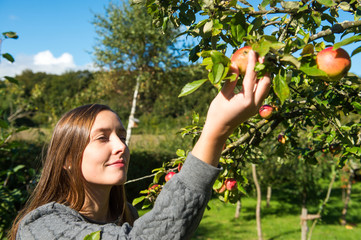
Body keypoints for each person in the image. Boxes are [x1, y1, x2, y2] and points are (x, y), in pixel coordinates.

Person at [9, 50, 271, 240]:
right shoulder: (41, 228)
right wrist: (216, 131)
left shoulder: (127, 217)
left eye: (122, 136)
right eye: (102, 137)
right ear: (66, 158)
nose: (121, 146)